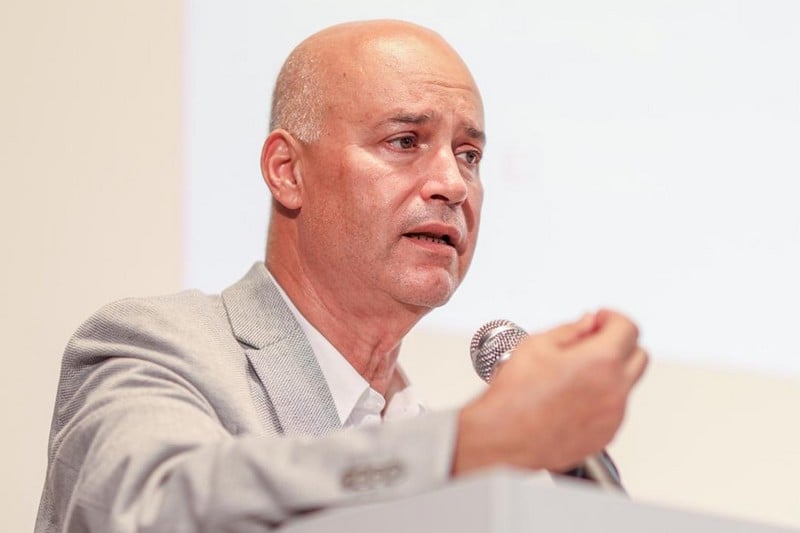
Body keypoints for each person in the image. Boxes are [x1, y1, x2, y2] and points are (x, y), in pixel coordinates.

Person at [36, 19, 648, 532]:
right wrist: (468, 442)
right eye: (405, 141)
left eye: (469, 155)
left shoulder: (416, 430)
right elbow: (150, 508)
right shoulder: (154, 346)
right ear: (287, 171)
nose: (453, 184)